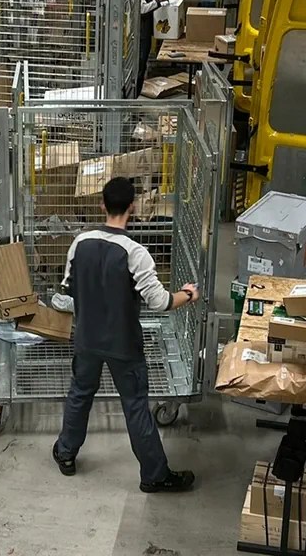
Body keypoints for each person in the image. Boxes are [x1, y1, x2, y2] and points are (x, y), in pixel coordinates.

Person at [51, 176, 199, 492]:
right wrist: (187, 294)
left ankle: (66, 453)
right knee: (134, 405)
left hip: (87, 340)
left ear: (102, 204)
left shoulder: (80, 242)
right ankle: (154, 475)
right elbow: (159, 302)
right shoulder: (136, 254)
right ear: (132, 207)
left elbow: (66, 293)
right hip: (124, 346)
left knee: (80, 394)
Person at [135, 0, 167, 98]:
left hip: (145, 32)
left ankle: (134, 100)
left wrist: (164, 1)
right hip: (140, 34)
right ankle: (132, 100)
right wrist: (159, 1)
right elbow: (141, 9)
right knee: (139, 68)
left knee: (142, 66)